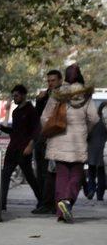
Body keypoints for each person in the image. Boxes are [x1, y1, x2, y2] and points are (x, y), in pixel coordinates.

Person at [41, 64, 99, 223]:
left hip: (58, 139)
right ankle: (67, 201)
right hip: (78, 140)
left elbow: (45, 117)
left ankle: (61, 212)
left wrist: (51, 130)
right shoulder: (86, 96)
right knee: (77, 174)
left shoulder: (58, 93)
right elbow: (94, 118)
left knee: (61, 176)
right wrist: (85, 129)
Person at [0, 84, 42, 211]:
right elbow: (14, 131)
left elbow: (36, 130)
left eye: (17, 96)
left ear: (23, 95)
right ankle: (2, 204)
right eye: (13, 96)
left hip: (24, 150)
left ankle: (42, 201)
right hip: (12, 148)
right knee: (5, 175)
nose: (14, 98)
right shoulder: (15, 112)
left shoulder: (31, 111)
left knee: (30, 177)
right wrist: (1, 127)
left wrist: (31, 145)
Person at [32, 70, 63, 214]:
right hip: (41, 138)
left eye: (53, 80)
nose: (51, 83)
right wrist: (39, 101)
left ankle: (50, 203)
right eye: (49, 81)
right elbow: (38, 116)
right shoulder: (45, 96)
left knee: (51, 173)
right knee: (41, 173)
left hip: (54, 139)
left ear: (60, 80)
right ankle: (44, 202)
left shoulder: (62, 96)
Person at [84, 102, 107, 200]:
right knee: (101, 174)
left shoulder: (93, 120)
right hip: (103, 150)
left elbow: (87, 134)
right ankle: (99, 195)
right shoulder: (105, 122)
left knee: (91, 172)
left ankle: (91, 189)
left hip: (92, 149)